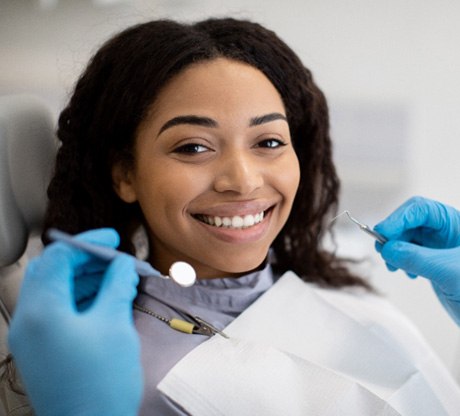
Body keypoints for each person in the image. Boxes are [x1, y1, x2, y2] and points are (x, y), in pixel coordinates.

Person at [3, 18, 460, 416]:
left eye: (269, 142)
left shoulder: (344, 295)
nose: (242, 181)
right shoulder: (106, 371)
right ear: (125, 173)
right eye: (193, 147)